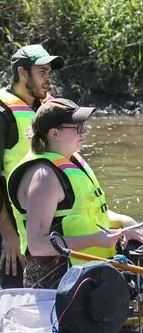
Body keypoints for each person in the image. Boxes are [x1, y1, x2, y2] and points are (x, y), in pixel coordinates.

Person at [7, 98, 143, 288]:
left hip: (89, 279)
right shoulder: (44, 177)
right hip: (56, 290)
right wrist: (94, 240)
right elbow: (37, 245)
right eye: (76, 127)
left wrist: (126, 223)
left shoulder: (72, 161)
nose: (84, 131)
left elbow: (88, 213)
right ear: (54, 133)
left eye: (83, 125)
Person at [0, 44, 64, 288]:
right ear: (22, 73)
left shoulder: (43, 109)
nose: (48, 79)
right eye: (42, 72)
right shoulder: (3, 114)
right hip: (9, 229)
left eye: (49, 72)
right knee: (13, 298)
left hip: (39, 222)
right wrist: (8, 235)